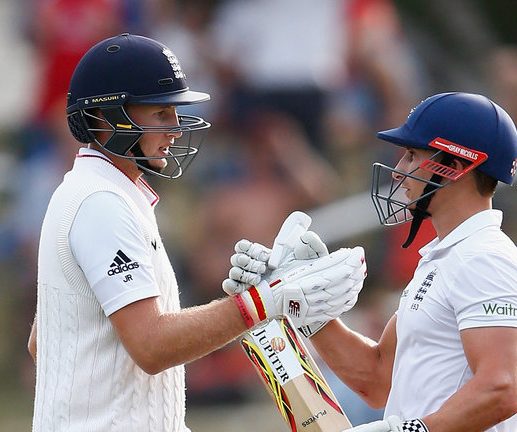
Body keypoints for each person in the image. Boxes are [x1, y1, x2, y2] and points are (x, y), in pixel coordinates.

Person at [26, 33, 367, 432]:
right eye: (159, 113)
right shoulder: (102, 203)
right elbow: (151, 346)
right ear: (105, 117)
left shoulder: (100, 192)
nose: (175, 128)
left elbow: (43, 340)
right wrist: (263, 302)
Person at [227, 92, 517, 431]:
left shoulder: (484, 258)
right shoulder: (446, 256)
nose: (399, 171)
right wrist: (302, 304)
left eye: (412, 155)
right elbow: (376, 379)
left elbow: (500, 389)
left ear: (454, 167)